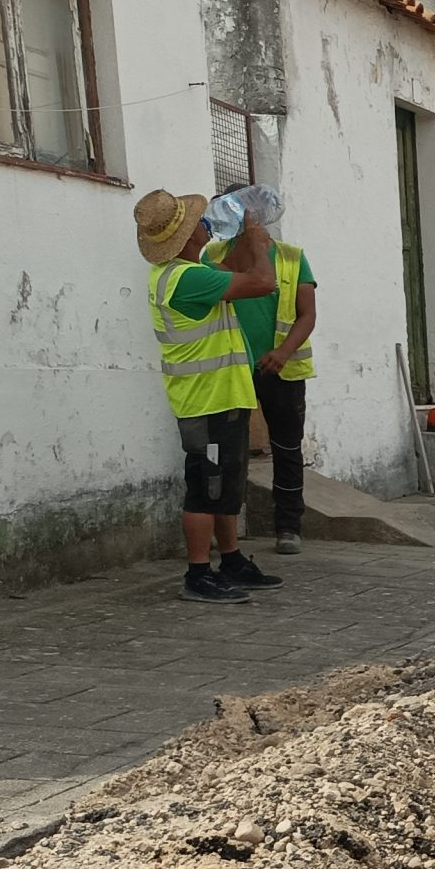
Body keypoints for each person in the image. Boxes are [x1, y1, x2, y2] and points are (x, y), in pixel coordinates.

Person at [131, 188, 284, 604]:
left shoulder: (186, 273)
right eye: (198, 222)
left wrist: (243, 240)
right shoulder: (187, 278)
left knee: (226, 486)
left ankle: (231, 559)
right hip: (207, 400)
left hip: (218, 396)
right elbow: (262, 282)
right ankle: (198, 573)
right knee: (206, 487)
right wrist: (258, 244)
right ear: (188, 236)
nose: (205, 224)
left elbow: (232, 272)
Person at [204, 213, 317, 555]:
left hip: (281, 370)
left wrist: (283, 351)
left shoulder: (292, 257)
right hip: (230, 367)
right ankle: (222, 528)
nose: (251, 224)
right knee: (221, 451)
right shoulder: (212, 257)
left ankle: (288, 527)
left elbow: (307, 314)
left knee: (286, 449)